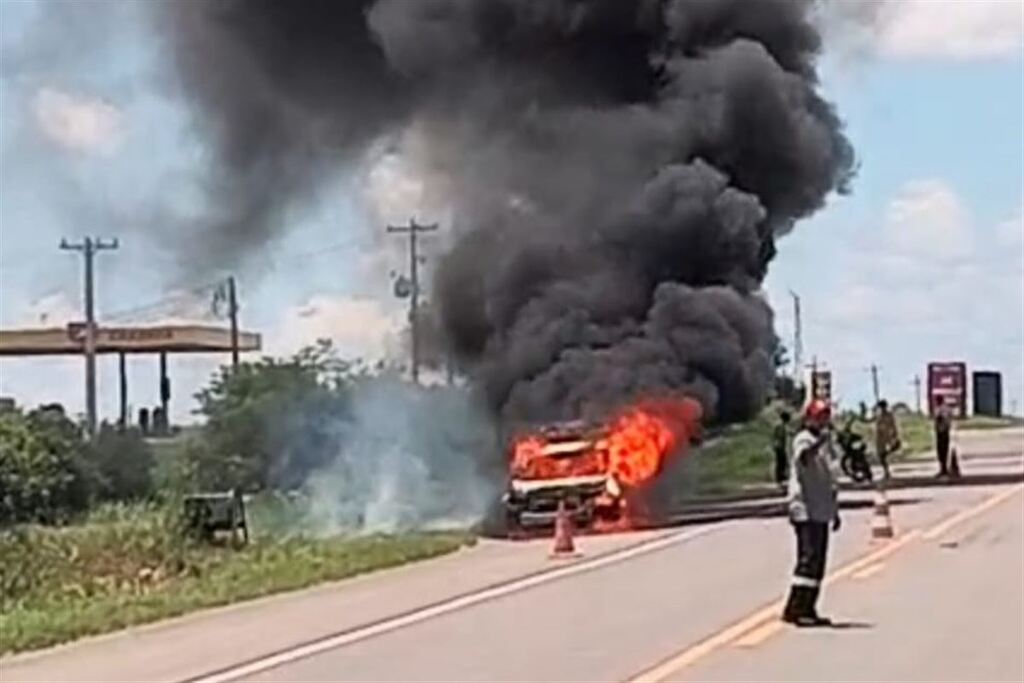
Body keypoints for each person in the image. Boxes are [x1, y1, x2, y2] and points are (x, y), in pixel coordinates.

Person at [782, 399, 841, 627]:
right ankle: (796, 609)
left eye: (826, 416)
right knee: (808, 561)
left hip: (821, 510)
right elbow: (804, 458)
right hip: (805, 510)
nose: (823, 420)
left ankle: (809, 608)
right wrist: (820, 443)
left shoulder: (825, 444)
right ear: (809, 418)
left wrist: (834, 511)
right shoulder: (804, 439)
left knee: (818, 563)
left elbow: (828, 479)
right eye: (819, 416)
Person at [874, 400, 901, 480]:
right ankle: (886, 472)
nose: (881, 409)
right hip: (880, 438)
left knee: (883, 455)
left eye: (882, 407)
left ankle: (887, 472)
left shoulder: (889, 415)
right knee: (881, 456)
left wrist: (895, 435)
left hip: (887, 437)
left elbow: (893, 426)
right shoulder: (879, 416)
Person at [934, 397, 953, 477]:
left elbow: (942, 419)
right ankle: (943, 468)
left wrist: (941, 425)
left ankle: (944, 469)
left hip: (943, 432)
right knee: (941, 451)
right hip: (942, 431)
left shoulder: (943, 409)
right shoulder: (944, 408)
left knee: (942, 451)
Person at [772, 410, 792, 486]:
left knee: (781, 462)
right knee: (781, 462)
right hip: (779, 445)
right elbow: (780, 436)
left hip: (778, 445)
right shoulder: (781, 425)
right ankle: (779, 477)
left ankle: (780, 476)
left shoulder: (780, 424)